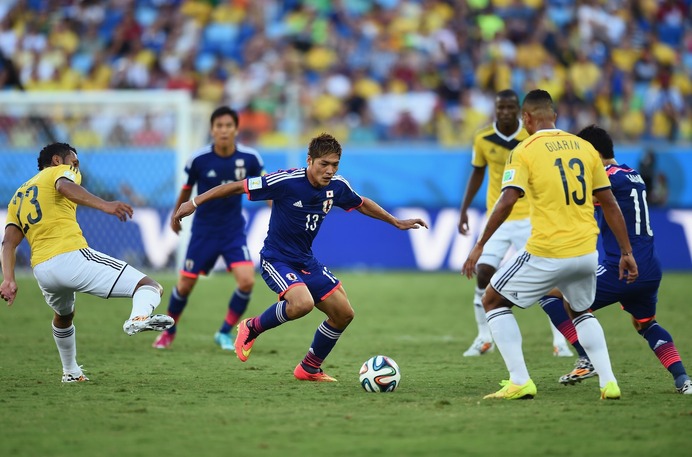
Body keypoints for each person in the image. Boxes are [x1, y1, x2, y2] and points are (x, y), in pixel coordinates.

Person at [174, 133, 428, 381]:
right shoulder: (285, 181)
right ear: (309, 160)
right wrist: (194, 203)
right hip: (276, 259)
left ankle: (309, 368)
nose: (329, 170)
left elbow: (361, 203)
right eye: (323, 164)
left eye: (334, 165)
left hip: (306, 260)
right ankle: (251, 327)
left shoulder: (337, 187)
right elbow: (235, 187)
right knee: (302, 303)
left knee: (344, 314)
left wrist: (395, 221)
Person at [461, 89, 638, 400]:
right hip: (585, 252)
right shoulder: (584, 148)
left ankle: (520, 381)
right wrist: (626, 252)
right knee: (581, 311)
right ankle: (609, 383)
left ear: (526, 118)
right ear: (554, 116)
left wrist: (479, 244)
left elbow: (507, 200)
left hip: (548, 251)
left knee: (492, 300)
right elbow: (609, 203)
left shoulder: (524, 149)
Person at [0, 143, 173, 383]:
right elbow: (65, 186)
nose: (76, 166)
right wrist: (106, 205)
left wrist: (8, 279)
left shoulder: (18, 196)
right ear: (57, 160)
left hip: (41, 269)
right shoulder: (59, 173)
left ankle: (71, 372)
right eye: (74, 161)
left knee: (63, 316)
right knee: (149, 286)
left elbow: (8, 241)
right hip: (70, 256)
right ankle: (138, 317)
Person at [539, 125, 691, 394]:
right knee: (646, 324)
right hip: (650, 267)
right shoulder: (632, 175)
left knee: (551, 295)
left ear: (593, 152)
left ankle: (586, 358)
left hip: (621, 266)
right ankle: (683, 379)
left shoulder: (605, 179)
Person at [458, 89, 572, 357]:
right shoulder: (483, 137)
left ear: (521, 112)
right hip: (496, 217)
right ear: (495, 110)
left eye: (511, 107)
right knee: (483, 273)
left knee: (547, 279)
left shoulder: (531, 136)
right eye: (501, 108)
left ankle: (560, 341)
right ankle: (484, 338)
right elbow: (477, 173)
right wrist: (463, 209)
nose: (506, 112)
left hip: (530, 217)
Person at [152, 106, 265, 351]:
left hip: (233, 231)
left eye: (228, 126)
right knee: (184, 286)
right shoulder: (199, 159)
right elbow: (186, 189)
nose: (223, 130)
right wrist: (175, 214)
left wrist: (275, 202)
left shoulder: (251, 159)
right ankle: (168, 332)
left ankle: (224, 332)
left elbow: (264, 186)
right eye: (219, 126)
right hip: (204, 232)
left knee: (246, 281)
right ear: (212, 129)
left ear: (235, 129)